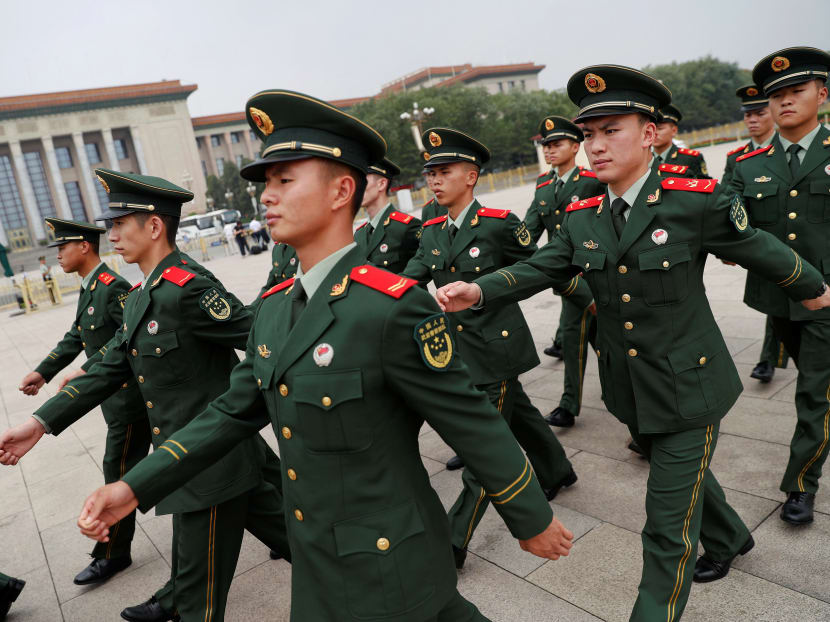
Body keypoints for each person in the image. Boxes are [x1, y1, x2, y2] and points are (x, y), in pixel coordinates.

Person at [70, 89, 574, 622]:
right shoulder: (274, 308)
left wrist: (530, 518)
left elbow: (473, 422)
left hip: (391, 559)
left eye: (285, 179)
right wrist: (132, 486)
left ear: (341, 190)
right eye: (267, 182)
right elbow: (227, 413)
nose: (267, 195)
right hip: (316, 561)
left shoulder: (390, 309)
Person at [434, 64, 830, 621]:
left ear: (648, 132)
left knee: (665, 525)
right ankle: (732, 537)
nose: (594, 146)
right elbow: (541, 266)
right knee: (682, 472)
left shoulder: (693, 201)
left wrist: (813, 287)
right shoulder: (583, 214)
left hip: (690, 386)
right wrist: (477, 289)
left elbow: (755, 244)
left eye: (610, 130)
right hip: (630, 389)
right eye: (588, 134)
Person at [0, 168, 291, 622]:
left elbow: (257, 334)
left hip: (206, 463)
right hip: (195, 459)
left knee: (199, 599)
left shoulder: (188, 288)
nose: (110, 234)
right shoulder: (140, 296)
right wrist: (38, 424)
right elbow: (109, 365)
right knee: (300, 539)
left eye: (120, 223)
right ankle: (368, 586)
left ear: (154, 226)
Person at [402, 127, 578, 568]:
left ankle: (454, 538)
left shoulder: (500, 224)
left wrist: (484, 290)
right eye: (431, 174)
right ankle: (557, 470)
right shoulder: (431, 230)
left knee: (485, 447)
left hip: (496, 345)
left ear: (471, 176)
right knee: (513, 409)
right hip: (459, 348)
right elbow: (408, 279)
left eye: (444, 172)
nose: (435, 181)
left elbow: (535, 268)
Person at [18, 217, 151, 587]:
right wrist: (43, 372)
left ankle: (113, 553)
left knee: (119, 470)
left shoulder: (114, 287)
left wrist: (87, 368)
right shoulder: (91, 287)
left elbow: (129, 335)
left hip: (130, 399)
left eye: (62, 247)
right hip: (113, 397)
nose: (58, 255)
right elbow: (75, 336)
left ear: (84, 247)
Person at [731, 46, 830, 526]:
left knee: (815, 392)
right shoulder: (747, 166)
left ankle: (799, 484)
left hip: (828, 299)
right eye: (778, 96)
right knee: (812, 391)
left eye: (798, 91)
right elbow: (728, 226)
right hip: (779, 300)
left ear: (822, 93)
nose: (786, 101)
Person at [524, 115, 604, 426]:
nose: (549, 150)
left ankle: (569, 406)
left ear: (575, 146)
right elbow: (528, 230)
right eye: (546, 146)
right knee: (598, 341)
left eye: (556, 144)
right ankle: (620, 391)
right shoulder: (543, 185)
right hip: (563, 277)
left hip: (590, 274)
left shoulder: (591, 181)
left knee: (576, 338)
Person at [722, 85, 789, 384]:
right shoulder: (737, 158)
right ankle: (770, 358)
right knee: (775, 302)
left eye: (759, 113)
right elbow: (727, 200)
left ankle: (768, 358)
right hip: (762, 242)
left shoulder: (787, 146)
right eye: (747, 115)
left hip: (796, 236)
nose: (752, 120)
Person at [354, 157, 422, 273]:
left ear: (381, 184)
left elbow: (425, 267)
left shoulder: (406, 226)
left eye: (362, 180)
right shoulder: (359, 234)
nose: (356, 187)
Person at [652, 104, 710, 178]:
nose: (654, 133)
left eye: (660, 128)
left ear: (674, 130)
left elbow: (705, 185)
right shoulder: (642, 160)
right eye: (652, 128)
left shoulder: (690, 158)